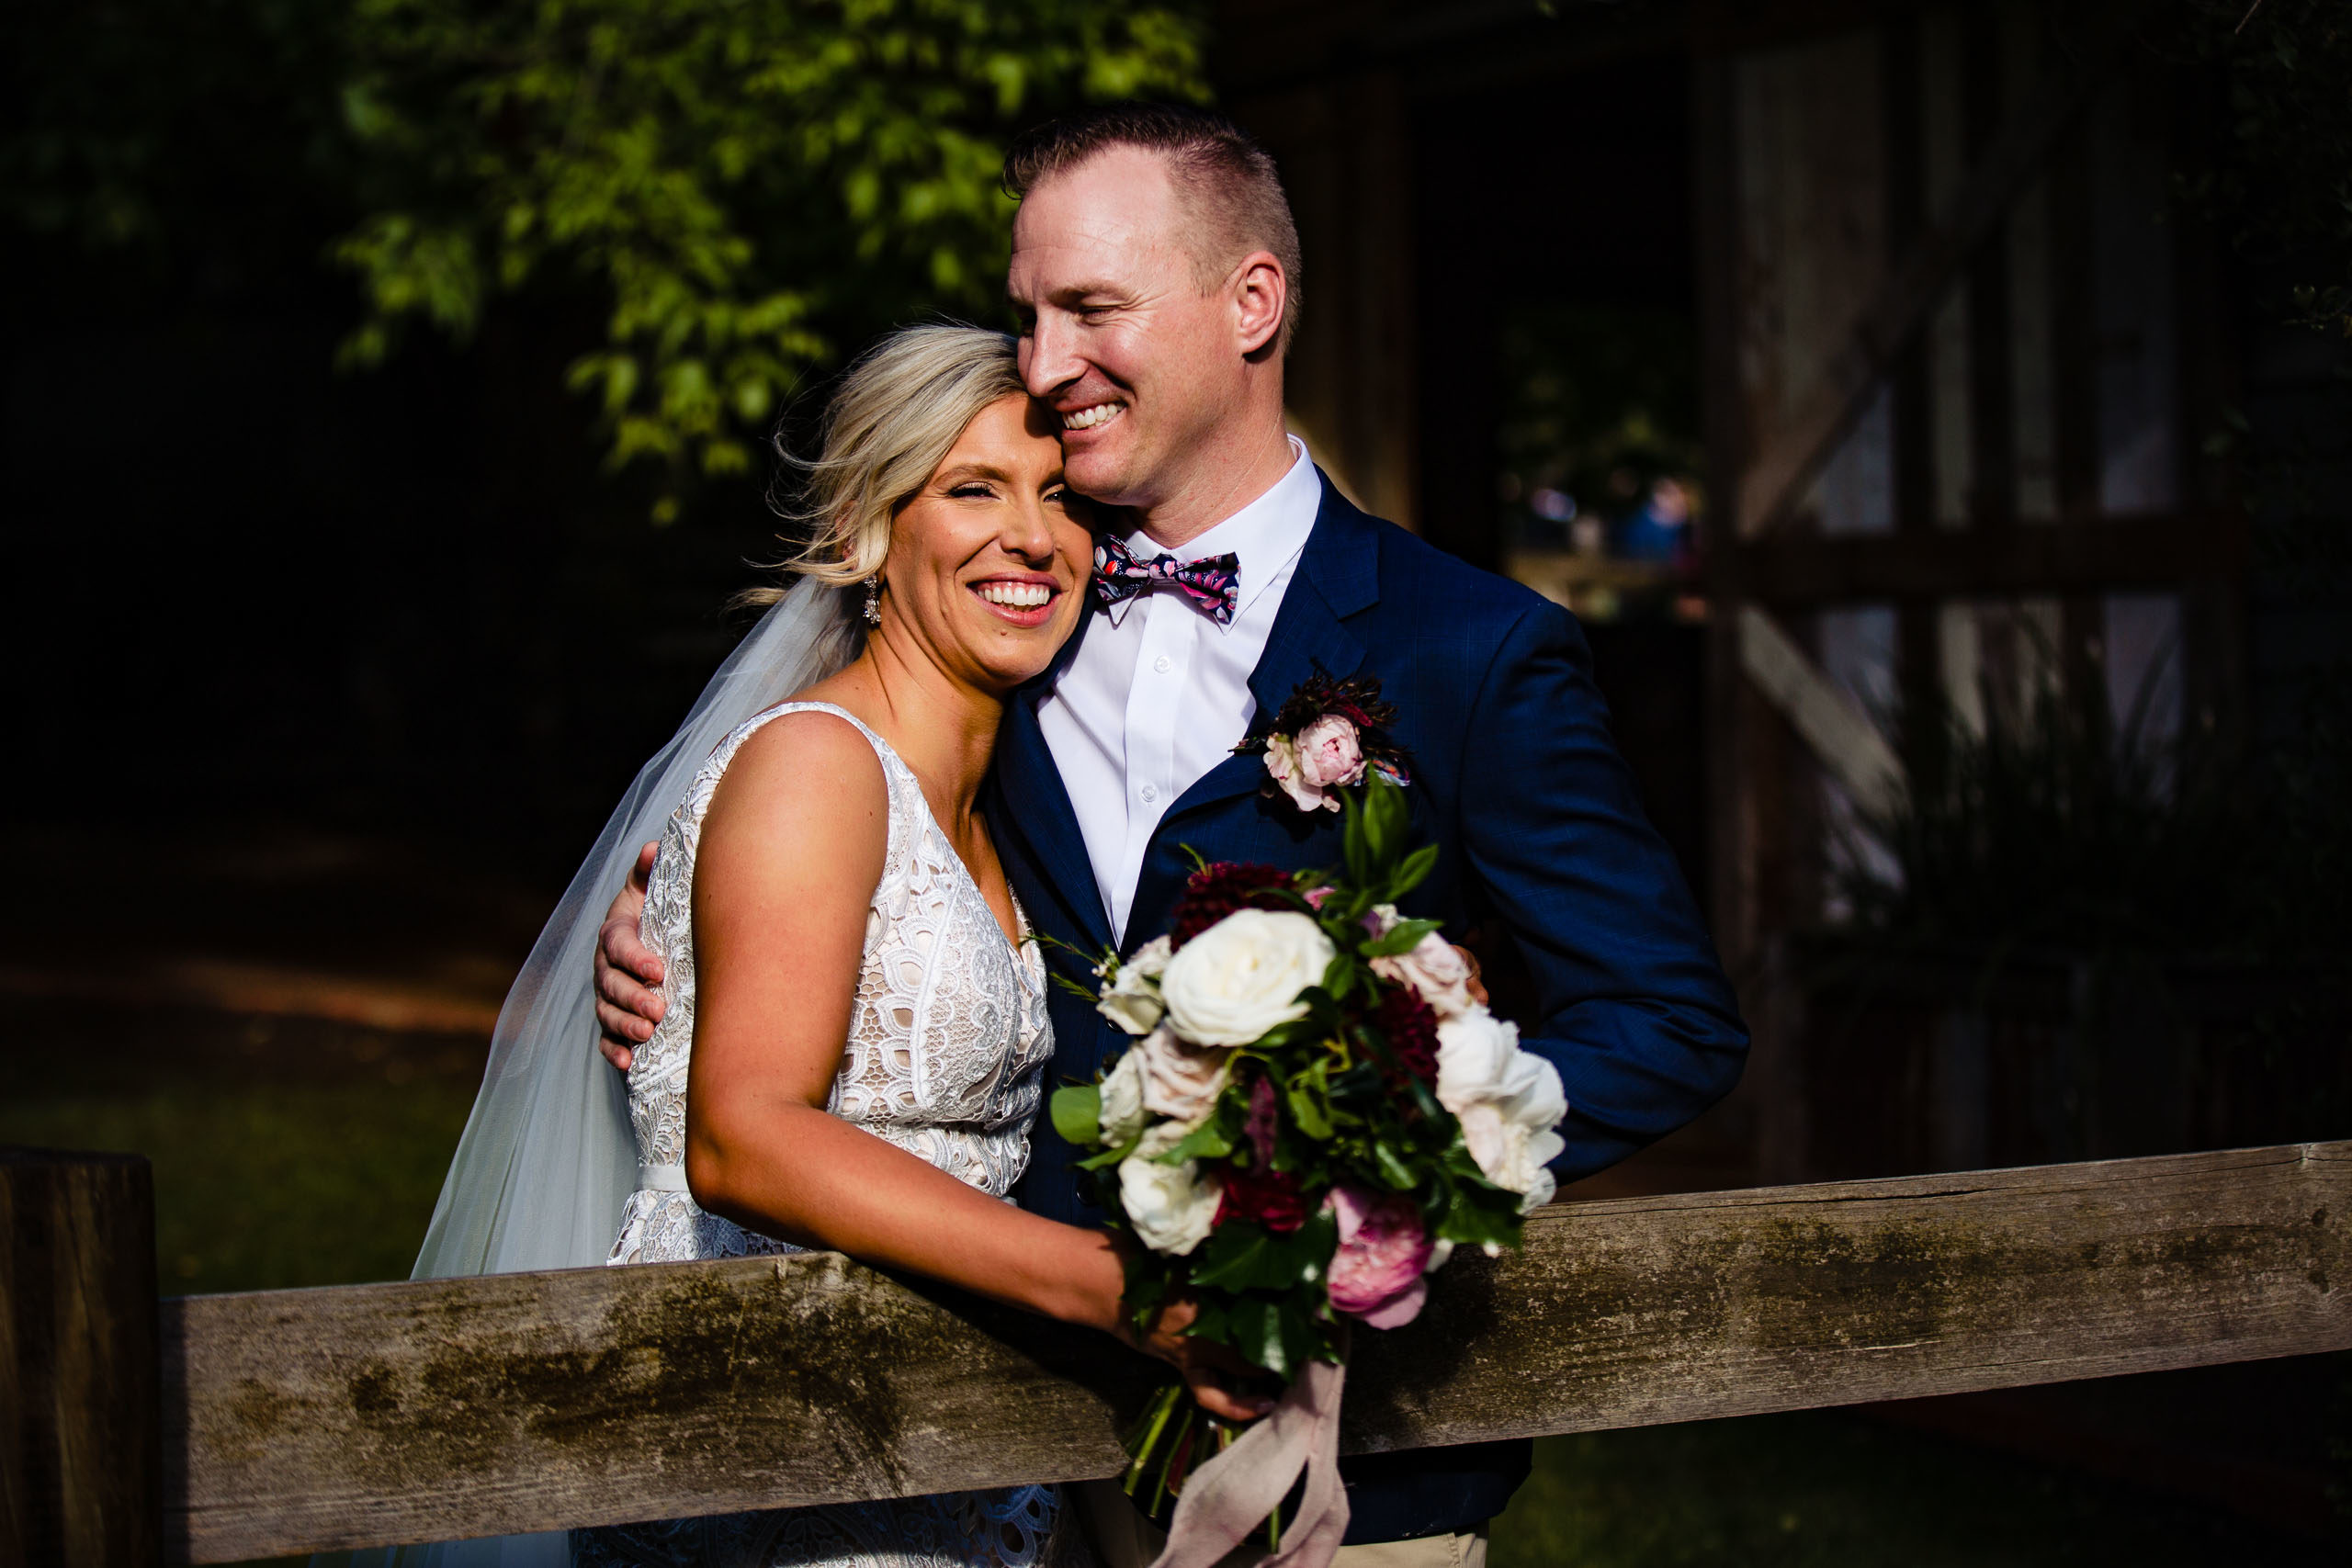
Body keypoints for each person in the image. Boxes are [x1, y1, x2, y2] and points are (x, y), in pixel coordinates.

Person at [596, 105, 1750, 1568]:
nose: (1045, 364)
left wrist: (1381, 1160)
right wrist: (674, 936)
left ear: (1250, 302)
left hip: (1346, 1487)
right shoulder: (1014, 627)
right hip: (1022, 1454)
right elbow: (855, 868)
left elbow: (1668, 1020)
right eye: (1030, 316)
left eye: (1092, 310)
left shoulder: (1472, 651)